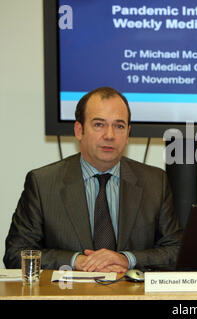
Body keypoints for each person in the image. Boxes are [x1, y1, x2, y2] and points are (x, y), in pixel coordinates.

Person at [3, 87, 183, 273]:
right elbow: (16, 254)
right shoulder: (43, 183)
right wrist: (76, 261)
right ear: (79, 130)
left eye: (119, 126)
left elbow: (177, 251)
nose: (110, 135)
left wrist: (126, 259)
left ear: (128, 133)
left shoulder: (154, 182)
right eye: (99, 124)